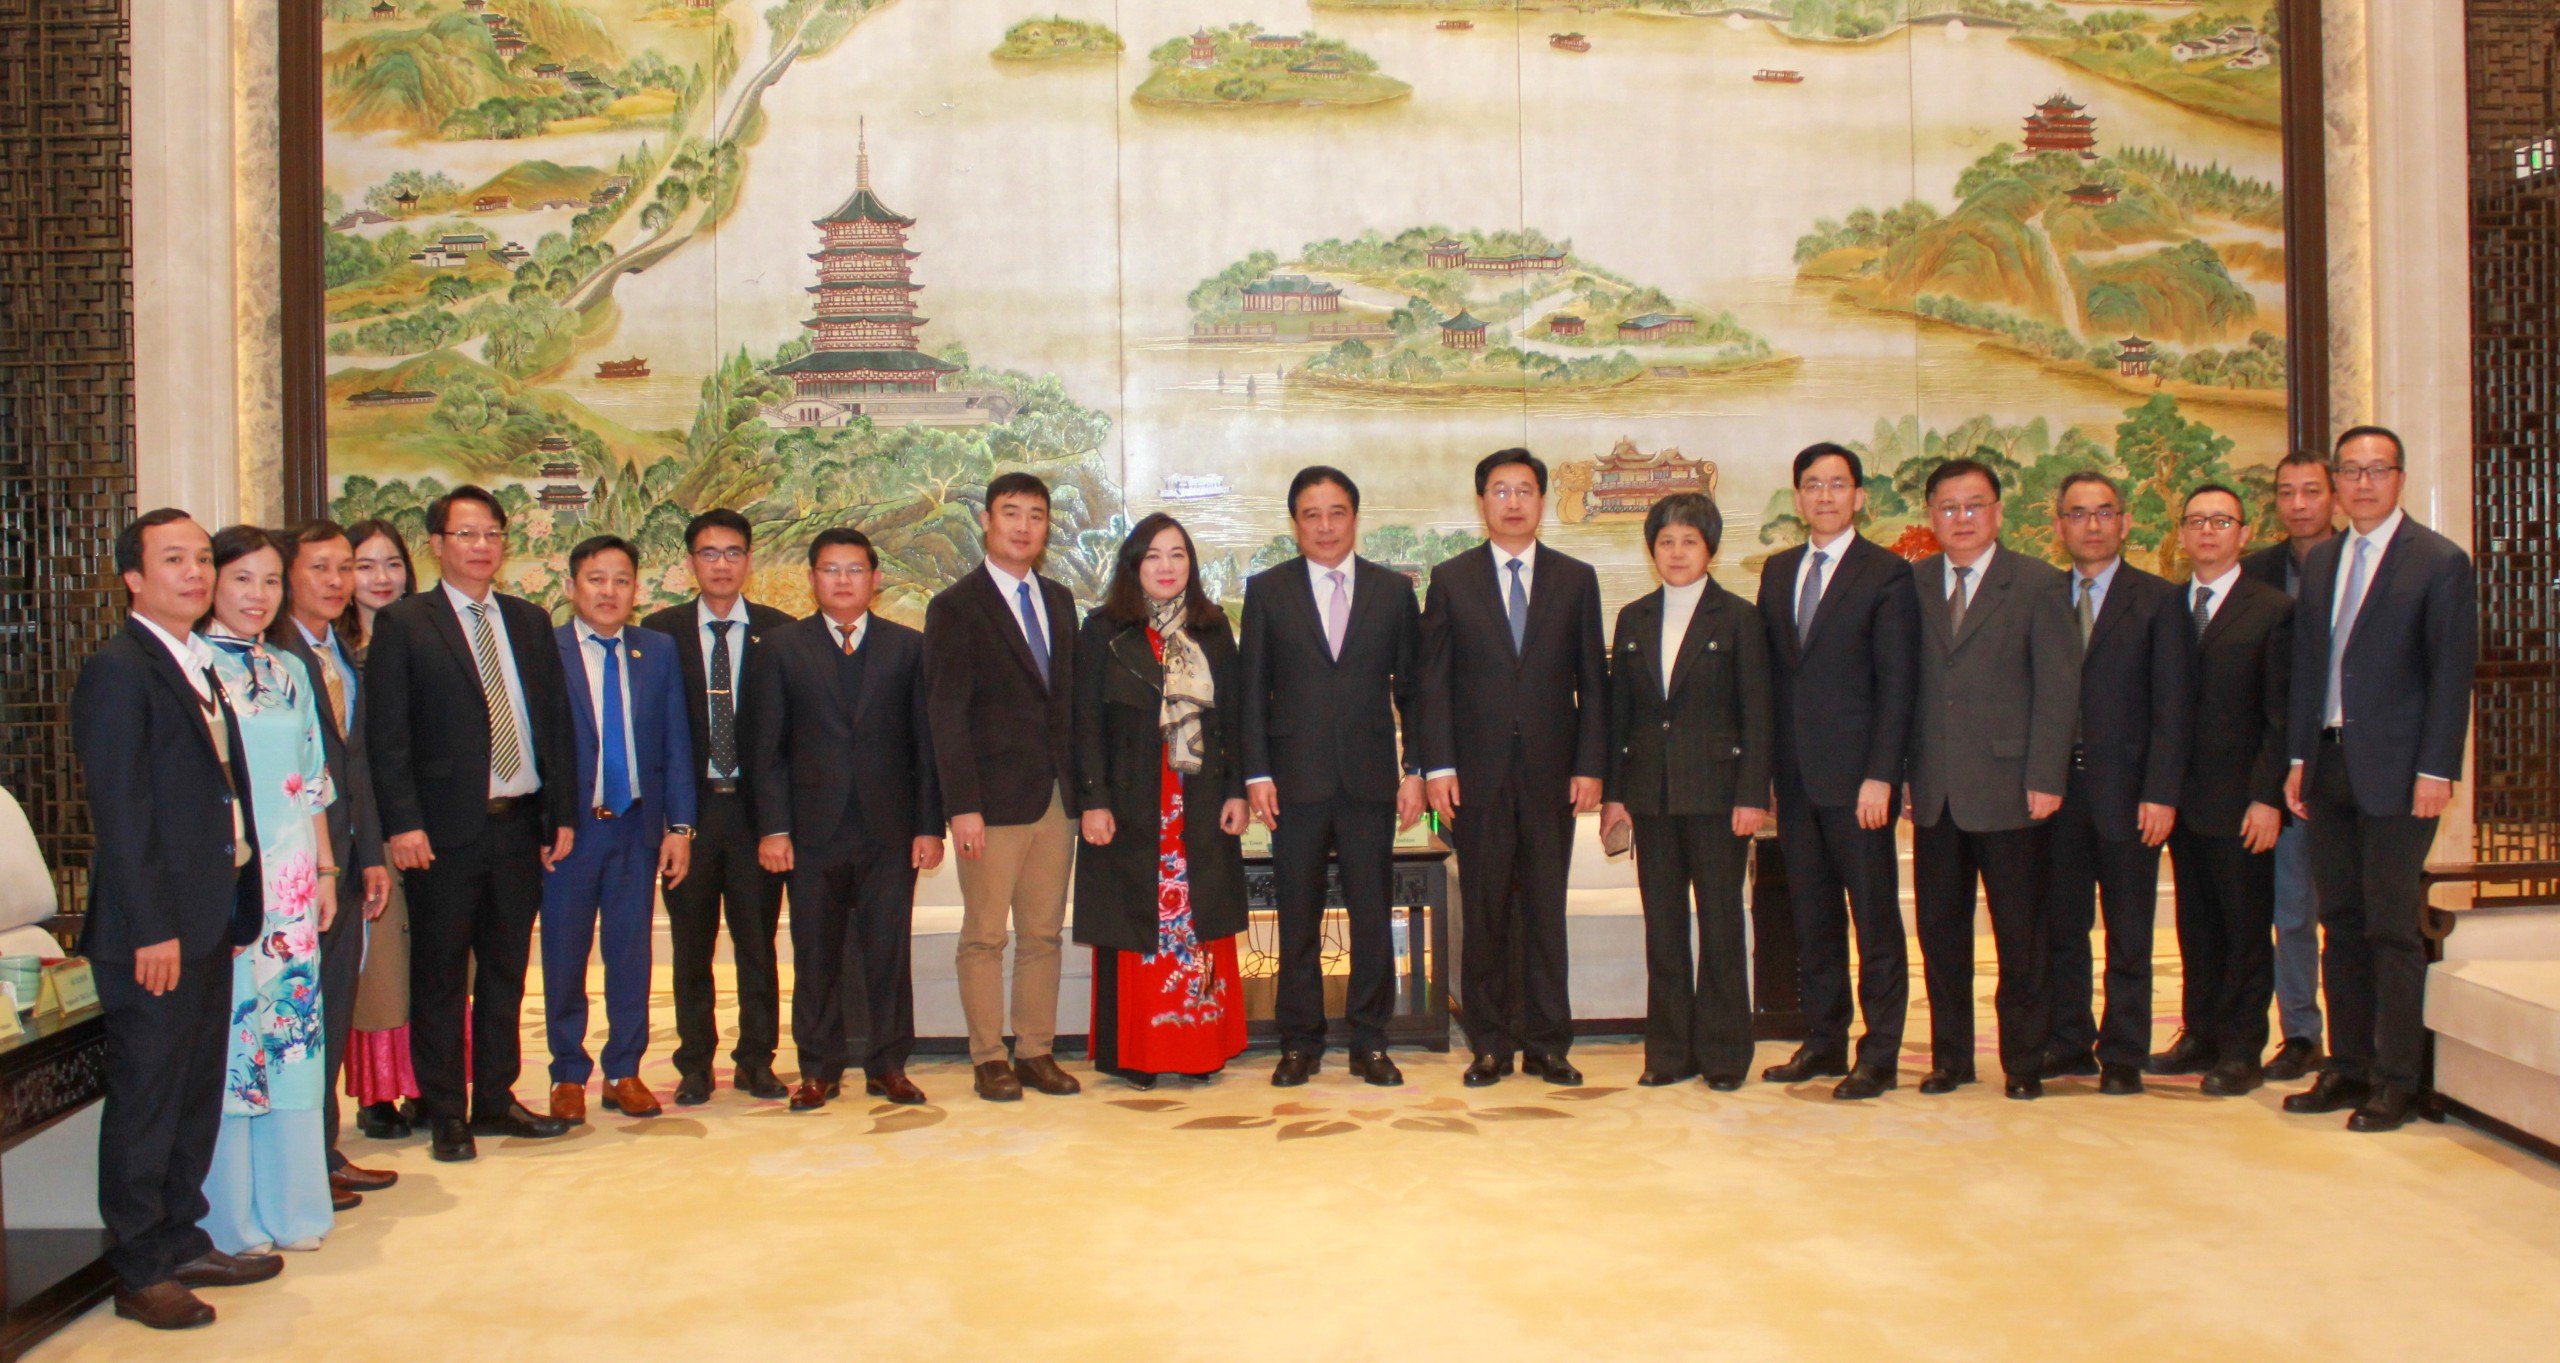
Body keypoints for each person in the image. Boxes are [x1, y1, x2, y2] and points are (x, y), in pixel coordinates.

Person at [74, 510, 285, 1330]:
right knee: (148, 1095)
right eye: (175, 560)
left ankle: (182, 1234)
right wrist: (152, 925)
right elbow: (121, 813)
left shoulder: (193, 661)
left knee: (195, 1089)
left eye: (202, 559)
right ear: (133, 577)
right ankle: (138, 1266)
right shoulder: (120, 669)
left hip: (209, 915)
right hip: (153, 932)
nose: (196, 574)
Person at [365, 485, 579, 1161]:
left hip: (518, 825)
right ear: (436, 544)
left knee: (507, 970)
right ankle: (446, 1110)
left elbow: (553, 725)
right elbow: (388, 736)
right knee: (440, 974)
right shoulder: (407, 623)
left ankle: (495, 1096)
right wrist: (402, 823)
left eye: (491, 533)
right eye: (466, 534)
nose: (481, 545)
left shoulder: (527, 620)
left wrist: (560, 812)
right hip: (442, 831)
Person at [2282, 426, 2477, 1132]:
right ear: (2337, 480)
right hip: (2328, 762)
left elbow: (2451, 677)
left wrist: (2436, 768)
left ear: (2399, 477)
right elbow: (2312, 667)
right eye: (2351, 471)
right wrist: (2300, 759)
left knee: (2392, 925)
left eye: (2377, 470)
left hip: (2401, 771)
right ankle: (2349, 1064)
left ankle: (2398, 1078)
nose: (2363, 483)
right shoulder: (2327, 557)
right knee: (2341, 919)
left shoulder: (2438, 562)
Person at [1420, 449, 1609, 1088]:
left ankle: (1549, 1044)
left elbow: (1594, 682)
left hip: (1554, 774)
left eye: (1524, 490)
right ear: (1482, 503)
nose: (1512, 502)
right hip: (1475, 776)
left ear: (1542, 500)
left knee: (1545, 911)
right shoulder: (1450, 580)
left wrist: (1591, 765)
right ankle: (1491, 1045)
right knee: (1486, 908)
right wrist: (1438, 765)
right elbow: (1432, 685)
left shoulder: (1576, 579)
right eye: (1499, 491)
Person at [1239, 466, 1429, 1087]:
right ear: (1295, 524)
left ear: (1355, 516)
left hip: (1371, 781)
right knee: (1297, 915)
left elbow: (1414, 691)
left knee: (1373, 913)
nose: (1325, 526)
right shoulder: (1267, 591)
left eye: (1337, 512)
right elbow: (1251, 694)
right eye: (1312, 515)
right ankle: (1300, 1041)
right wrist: (1257, 773)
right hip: (1292, 782)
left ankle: (1370, 1040)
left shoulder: (1392, 592)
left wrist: (1416, 771)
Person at [751, 529, 945, 1110]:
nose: (842, 580)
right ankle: (818, 1067)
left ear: (875, 578)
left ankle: (889, 1065)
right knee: (815, 953)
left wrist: (927, 826)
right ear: (812, 578)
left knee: (888, 952)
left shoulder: (908, 648)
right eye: (830, 570)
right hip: (810, 833)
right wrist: (773, 828)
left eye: (854, 570)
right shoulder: (780, 648)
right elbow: (768, 750)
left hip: (889, 831)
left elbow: (924, 748)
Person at [1906, 457, 2081, 1101]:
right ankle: (1952, 1058)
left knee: (2020, 935)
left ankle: (2024, 1061)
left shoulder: (2035, 583)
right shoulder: (1915, 583)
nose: (1962, 518)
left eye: (1974, 505)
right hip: (1935, 792)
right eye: (1949, 507)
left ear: (1998, 512)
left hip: (2013, 790)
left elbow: (2059, 690)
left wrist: (2046, 774)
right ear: (1931, 517)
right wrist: (1902, 772)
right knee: (1940, 933)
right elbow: (1904, 687)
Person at [1753, 443, 1916, 1100]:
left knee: (1873, 919)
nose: (1825, 496)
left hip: (1859, 785)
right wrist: (1764, 773)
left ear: (1858, 496)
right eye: (1813, 485)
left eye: (1838, 484)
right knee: (1812, 916)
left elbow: (1898, 684)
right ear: (1797, 497)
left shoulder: (1886, 574)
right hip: (1793, 782)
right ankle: (1824, 1040)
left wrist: (1884, 774)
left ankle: (1879, 1053)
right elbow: (1770, 679)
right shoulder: (1777, 570)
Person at [196, 526, 341, 1260]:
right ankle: (233, 1219)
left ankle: (294, 1207)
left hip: (290, 888)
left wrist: (323, 871)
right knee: (233, 1045)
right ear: (212, 583)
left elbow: (314, 779)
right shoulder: (193, 669)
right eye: (243, 579)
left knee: (292, 1043)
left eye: (271, 581)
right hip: (227, 885)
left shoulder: (287, 667)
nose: (259, 595)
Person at [1073, 515, 1251, 1089]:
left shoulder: (1214, 629)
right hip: (1129, 807)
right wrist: (1093, 801)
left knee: (1198, 923)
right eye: (1153, 556)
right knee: (1136, 927)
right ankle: (1136, 1053)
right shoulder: (1103, 631)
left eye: (1178, 555)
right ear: (1134, 566)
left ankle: (1200, 1049)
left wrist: (1236, 791)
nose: (1167, 566)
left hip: (1198, 803)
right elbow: (1085, 724)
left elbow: (1236, 720)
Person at [1601, 493, 1772, 1089]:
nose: (1677, 553)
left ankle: (1724, 1057)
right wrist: (1614, 797)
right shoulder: (1634, 617)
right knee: (1664, 929)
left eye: (1689, 541)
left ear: (1711, 549)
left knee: (1723, 925)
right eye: (1666, 542)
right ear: (1652, 550)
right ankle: (1669, 1056)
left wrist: (1753, 795)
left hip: (1719, 799)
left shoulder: (1741, 618)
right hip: (1652, 799)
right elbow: (1619, 716)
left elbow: (1759, 716)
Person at [924, 473, 1082, 1102]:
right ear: (986, 521)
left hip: (1055, 801)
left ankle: (1036, 1051)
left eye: (1035, 515)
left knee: (1043, 933)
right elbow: (947, 714)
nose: (1023, 526)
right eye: (1010, 513)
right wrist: (961, 806)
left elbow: (1068, 706)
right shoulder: (956, 606)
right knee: (986, 934)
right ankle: (989, 1056)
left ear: (1046, 528)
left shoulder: (1061, 600)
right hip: (990, 806)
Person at [2038, 472, 2192, 1096]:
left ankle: (2124, 1048)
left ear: (2124, 522)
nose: (2092, 525)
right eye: (2078, 514)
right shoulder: (2042, 598)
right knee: (2061, 926)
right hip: (2053, 791)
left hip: (2130, 794)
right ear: (2059, 528)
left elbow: (2172, 709)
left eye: (2104, 513)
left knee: (2130, 929)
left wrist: (2162, 792)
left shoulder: (2158, 600)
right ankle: (2068, 1042)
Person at [642, 510, 796, 1105]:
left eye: (734, 553)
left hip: (757, 815)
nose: (722, 564)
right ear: (690, 563)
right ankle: (695, 1063)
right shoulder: (659, 635)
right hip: (690, 814)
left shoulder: (781, 634)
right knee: (691, 946)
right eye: (709, 554)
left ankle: (757, 1059)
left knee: (758, 943)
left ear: (749, 560)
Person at [540, 536, 696, 1123]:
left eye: (621, 580)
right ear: (572, 585)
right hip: (572, 833)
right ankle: (566, 1074)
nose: (609, 591)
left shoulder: (655, 651)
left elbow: (677, 743)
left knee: (631, 955)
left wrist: (679, 827)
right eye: (596, 579)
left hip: (637, 829)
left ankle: (624, 1070)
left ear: (637, 588)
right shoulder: (546, 650)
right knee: (563, 954)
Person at [268, 520, 397, 1205]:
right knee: (298, 1014)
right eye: (320, 568)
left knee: (334, 1007)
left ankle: (324, 1149)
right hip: (295, 868)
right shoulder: (272, 652)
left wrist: (369, 854)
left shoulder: (342, 649)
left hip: (345, 859)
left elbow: (357, 764)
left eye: (343, 568)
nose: (337, 581)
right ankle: (301, 1159)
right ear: (290, 575)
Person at [2151, 486, 2292, 1096]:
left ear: (2243, 531)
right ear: (2181, 534)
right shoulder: (2165, 606)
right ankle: (2199, 1033)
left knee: (2243, 926)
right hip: (2178, 799)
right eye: (2196, 522)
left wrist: (2268, 798)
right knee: (2194, 925)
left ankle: (2241, 1048)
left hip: (2243, 802)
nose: (2207, 532)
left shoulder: (2272, 609)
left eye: (2220, 521)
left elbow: (2282, 715)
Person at [2241, 452, 2339, 1082]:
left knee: (2355, 913)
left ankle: (2369, 1035)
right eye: (2286, 493)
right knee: (2291, 907)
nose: (2298, 504)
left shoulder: (2361, 566)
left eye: (2311, 491)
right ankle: (2301, 1031)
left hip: (2353, 760)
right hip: (2283, 764)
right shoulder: (2257, 574)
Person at [338, 519, 423, 1139]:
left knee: (436, 957)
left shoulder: (425, 637)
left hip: (427, 822)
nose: (381, 578)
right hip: (366, 827)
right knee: (379, 966)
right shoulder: (334, 654)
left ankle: (425, 1080)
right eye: (365, 566)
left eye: (392, 564)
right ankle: (377, 1094)